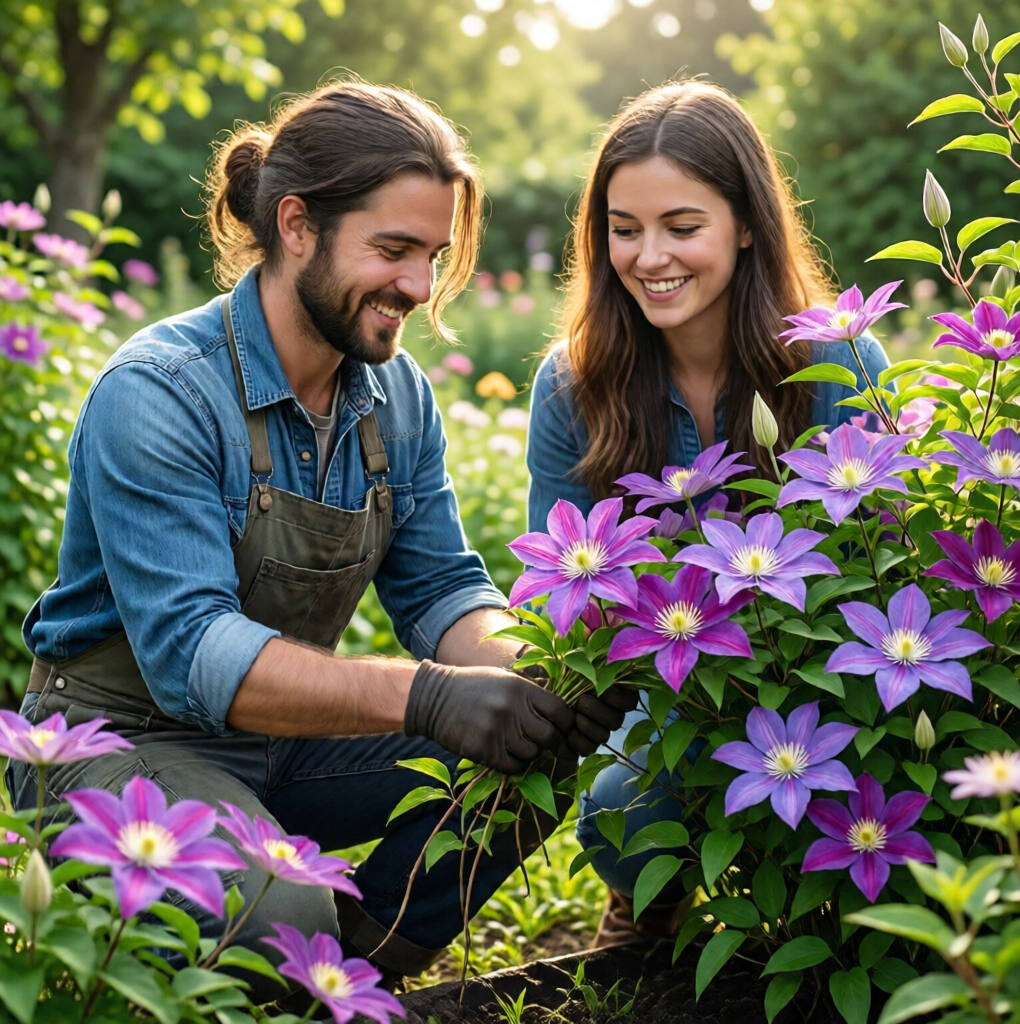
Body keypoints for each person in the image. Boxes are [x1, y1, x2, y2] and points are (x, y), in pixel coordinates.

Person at [6, 81, 633, 1000]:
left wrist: (529, 678)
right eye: (393, 250)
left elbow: (439, 589)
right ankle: (289, 950)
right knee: (281, 909)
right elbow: (194, 654)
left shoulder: (395, 396)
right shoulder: (161, 394)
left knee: (519, 765)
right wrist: (428, 698)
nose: (418, 287)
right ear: (296, 224)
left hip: (278, 745)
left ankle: (347, 983)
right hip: (115, 741)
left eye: (433, 255)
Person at [525, 81, 889, 946]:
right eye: (624, 229)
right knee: (622, 813)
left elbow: (882, 557)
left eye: (682, 228)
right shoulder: (573, 385)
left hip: (824, 669)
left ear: (748, 223)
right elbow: (552, 583)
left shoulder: (841, 360)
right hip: (673, 684)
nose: (650, 257)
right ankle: (651, 892)